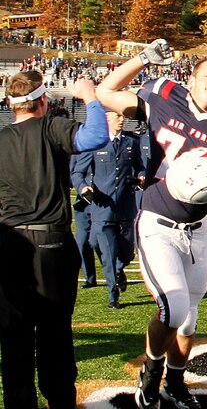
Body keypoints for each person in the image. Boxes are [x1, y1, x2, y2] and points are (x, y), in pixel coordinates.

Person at [96, 44, 207, 409]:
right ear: (191, 79)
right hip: (157, 221)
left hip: (196, 230)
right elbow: (105, 93)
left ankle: (175, 382)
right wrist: (142, 61)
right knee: (174, 307)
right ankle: (151, 373)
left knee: (188, 321)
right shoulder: (164, 97)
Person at [0, 72, 108, 409]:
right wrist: (90, 97)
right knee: (54, 332)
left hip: (8, 242)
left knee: (14, 336)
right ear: (44, 102)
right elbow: (96, 136)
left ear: (9, 104)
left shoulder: (2, 139)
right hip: (50, 243)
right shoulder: (51, 127)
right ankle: (60, 400)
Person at [69, 110, 143, 309]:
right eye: (117, 116)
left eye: (122, 117)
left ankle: (120, 270)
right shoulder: (96, 143)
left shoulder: (131, 142)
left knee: (127, 253)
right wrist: (83, 187)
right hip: (102, 207)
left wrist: (142, 176)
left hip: (126, 207)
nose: (122, 120)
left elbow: (141, 166)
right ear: (106, 119)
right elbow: (78, 172)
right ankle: (113, 295)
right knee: (108, 253)